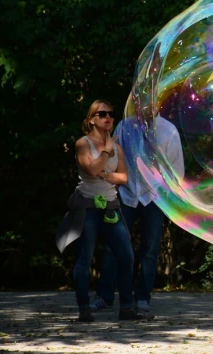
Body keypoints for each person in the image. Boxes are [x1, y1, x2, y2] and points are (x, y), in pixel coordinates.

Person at [55, 99, 152, 322]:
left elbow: (124, 177)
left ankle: (127, 307)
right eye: (102, 114)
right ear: (91, 119)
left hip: (111, 207)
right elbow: (91, 171)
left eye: (111, 113)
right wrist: (105, 155)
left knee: (126, 256)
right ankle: (84, 309)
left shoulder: (116, 146)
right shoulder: (83, 143)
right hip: (87, 207)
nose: (108, 117)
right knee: (84, 259)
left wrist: (104, 172)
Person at [90, 112, 185, 317]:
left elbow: (177, 170)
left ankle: (142, 298)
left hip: (154, 198)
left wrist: (168, 198)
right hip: (126, 194)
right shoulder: (124, 126)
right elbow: (113, 160)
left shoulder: (168, 130)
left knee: (149, 251)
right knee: (112, 247)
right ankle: (104, 296)